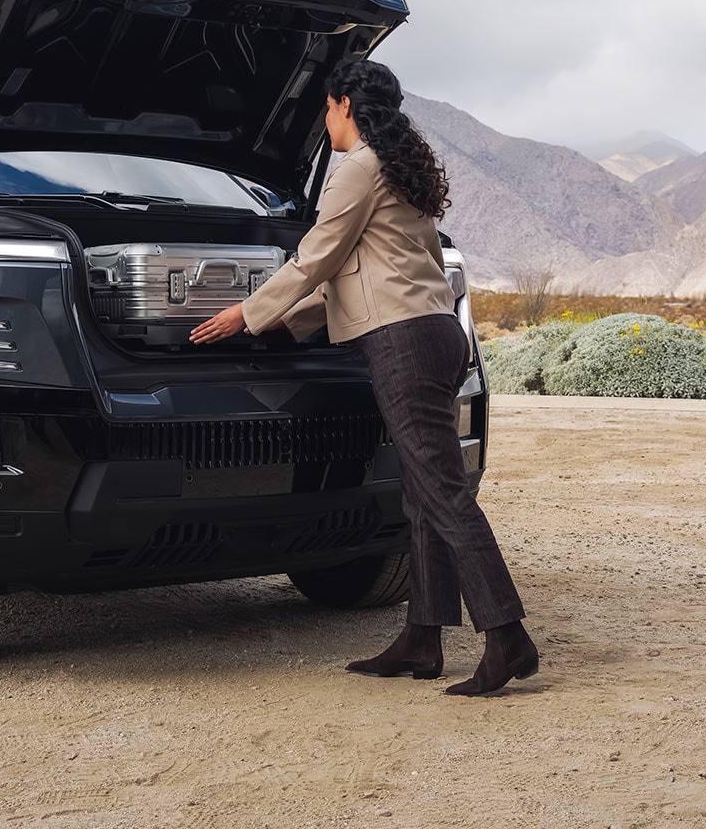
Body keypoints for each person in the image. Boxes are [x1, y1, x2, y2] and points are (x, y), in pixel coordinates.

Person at [191, 60, 538, 696]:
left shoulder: (356, 169)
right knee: (423, 490)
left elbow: (317, 257)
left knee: (442, 490)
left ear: (345, 104)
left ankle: (507, 635)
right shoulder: (402, 169)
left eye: (327, 109)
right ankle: (422, 637)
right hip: (438, 333)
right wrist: (282, 326)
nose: (325, 122)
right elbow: (389, 269)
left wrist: (247, 312)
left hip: (401, 341)